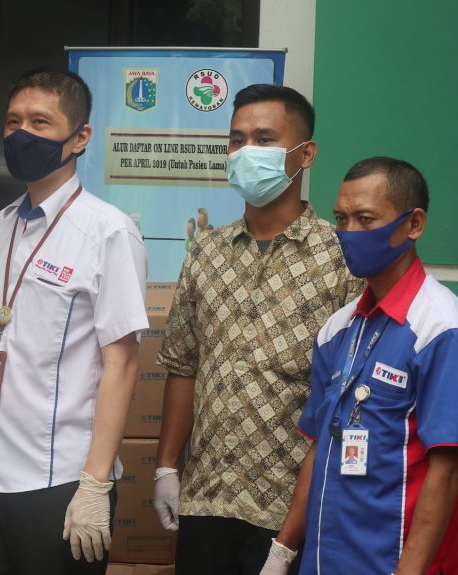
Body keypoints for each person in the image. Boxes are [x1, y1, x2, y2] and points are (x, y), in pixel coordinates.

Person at [0, 67, 148, 574]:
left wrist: (95, 484)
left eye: (39, 122)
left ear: (80, 137)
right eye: (13, 122)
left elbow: (121, 365)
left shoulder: (108, 231)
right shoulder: (0, 226)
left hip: (58, 484)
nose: (21, 134)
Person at [151, 84, 364, 575]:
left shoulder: (341, 258)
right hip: (205, 499)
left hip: (292, 511)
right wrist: (165, 466)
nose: (247, 151)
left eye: (264, 139)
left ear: (305, 154)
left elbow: (349, 395)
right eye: (237, 140)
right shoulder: (205, 253)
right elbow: (183, 366)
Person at [261, 157, 458, 575]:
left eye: (366, 219)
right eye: (341, 219)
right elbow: (320, 447)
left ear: (414, 224)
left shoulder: (441, 328)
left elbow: (448, 469)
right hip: (324, 562)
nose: (349, 233)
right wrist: (281, 553)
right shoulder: (338, 329)